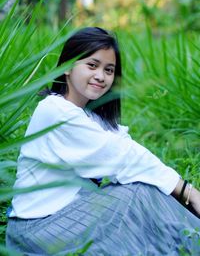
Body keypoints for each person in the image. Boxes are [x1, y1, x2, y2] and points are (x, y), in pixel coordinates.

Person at [6, 27, 200, 256]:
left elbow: (131, 156)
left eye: (109, 70)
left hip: (67, 217)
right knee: (135, 194)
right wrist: (189, 192)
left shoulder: (90, 116)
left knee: (140, 194)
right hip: (36, 231)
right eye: (92, 65)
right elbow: (125, 156)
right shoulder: (54, 110)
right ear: (67, 67)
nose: (101, 76)